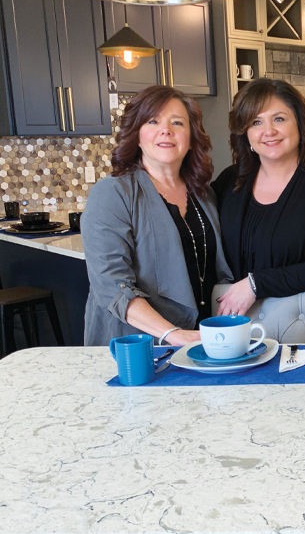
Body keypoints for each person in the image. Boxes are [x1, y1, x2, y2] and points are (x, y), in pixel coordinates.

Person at [82, 85, 232, 346]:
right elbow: (112, 286)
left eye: (177, 122)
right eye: (153, 121)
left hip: (198, 340)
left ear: (191, 137)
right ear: (137, 135)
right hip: (136, 345)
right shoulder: (113, 193)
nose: (166, 130)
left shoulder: (204, 194)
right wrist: (172, 334)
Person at [212, 78, 305, 317]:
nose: (269, 131)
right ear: (245, 132)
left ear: (299, 123)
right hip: (234, 321)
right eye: (256, 122)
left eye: (279, 119)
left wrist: (256, 284)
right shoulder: (228, 182)